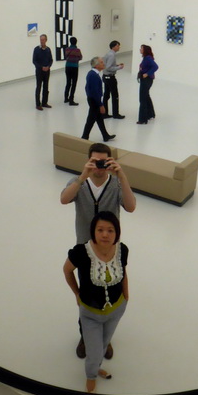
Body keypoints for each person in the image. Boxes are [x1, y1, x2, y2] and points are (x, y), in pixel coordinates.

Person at [60, 142, 136, 358]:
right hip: (85, 247)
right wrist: (83, 176)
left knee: (111, 288)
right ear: (89, 160)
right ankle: (86, 335)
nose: (100, 166)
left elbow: (131, 207)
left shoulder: (116, 184)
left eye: (104, 161)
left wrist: (122, 176)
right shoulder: (79, 182)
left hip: (110, 248)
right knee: (87, 294)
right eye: (95, 161)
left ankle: (106, 339)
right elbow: (64, 199)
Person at [63, 211, 129, 393]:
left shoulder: (122, 250)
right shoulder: (81, 253)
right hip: (90, 314)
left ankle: (96, 367)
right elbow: (67, 270)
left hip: (116, 310)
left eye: (110, 230)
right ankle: (91, 375)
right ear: (93, 231)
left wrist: (126, 294)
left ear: (117, 232)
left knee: (104, 342)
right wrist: (77, 293)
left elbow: (123, 271)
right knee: (93, 351)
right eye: (100, 230)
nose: (105, 234)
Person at [80, 57, 115, 142]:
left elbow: (87, 88)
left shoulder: (92, 74)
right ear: (96, 65)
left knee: (98, 118)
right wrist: (100, 104)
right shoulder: (93, 76)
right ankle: (84, 137)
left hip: (92, 99)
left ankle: (105, 135)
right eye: (101, 62)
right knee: (91, 120)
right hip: (94, 101)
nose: (103, 63)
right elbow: (95, 91)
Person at [101, 40, 126, 119]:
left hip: (105, 77)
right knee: (115, 96)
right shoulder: (112, 55)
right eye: (118, 46)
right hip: (110, 78)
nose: (119, 47)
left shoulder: (108, 54)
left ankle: (104, 113)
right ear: (114, 46)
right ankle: (115, 114)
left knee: (106, 95)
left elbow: (107, 64)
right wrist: (119, 67)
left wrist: (116, 65)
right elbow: (108, 67)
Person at [136, 44, 159, 124]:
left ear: (145, 50)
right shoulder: (146, 58)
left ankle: (142, 119)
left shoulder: (148, 58)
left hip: (146, 80)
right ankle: (150, 114)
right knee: (146, 96)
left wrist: (147, 73)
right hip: (146, 80)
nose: (140, 49)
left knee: (142, 99)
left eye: (141, 48)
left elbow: (156, 67)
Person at [32, 34, 53, 111]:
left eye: (43, 39)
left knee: (46, 86)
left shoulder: (48, 50)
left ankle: (44, 102)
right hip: (39, 71)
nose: (42, 41)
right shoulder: (36, 49)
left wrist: (48, 66)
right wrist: (41, 67)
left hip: (47, 71)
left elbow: (51, 60)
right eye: (41, 40)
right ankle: (38, 104)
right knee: (39, 86)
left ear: (46, 40)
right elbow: (34, 61)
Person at [63, 37, 83, 106]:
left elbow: (65, 56)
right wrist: (75, 59)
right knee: (74, 83)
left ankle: (66, 98)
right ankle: (71, 100)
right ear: (76, 42)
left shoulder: (67, 49)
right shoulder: (77, 50)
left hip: (67, 67)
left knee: (68, 82)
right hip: (74, 67)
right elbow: (80, 57)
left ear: (70, 42)